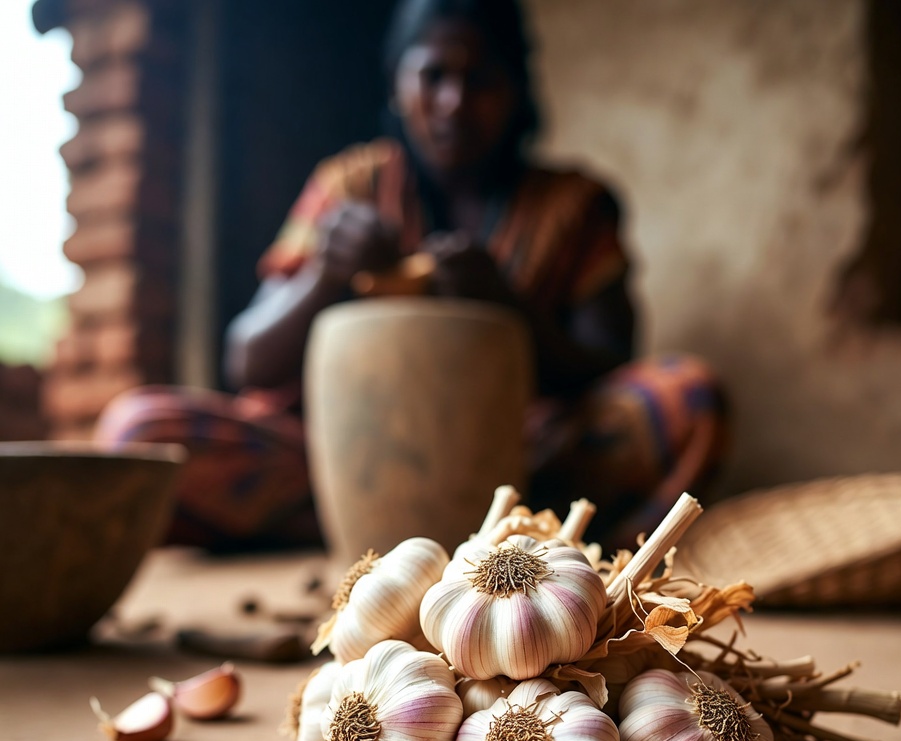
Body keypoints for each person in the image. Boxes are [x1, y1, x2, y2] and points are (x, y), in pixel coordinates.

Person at [95, 0, 726, 551]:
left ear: (516, 91)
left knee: (691, 400)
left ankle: (504, 539)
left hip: (518, 468)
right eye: (433, 76)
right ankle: (385, 528)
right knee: (138, 434)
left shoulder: (573, 205)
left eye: (481, 80)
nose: (455, 102)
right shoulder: (349, 187)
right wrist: (324, 277)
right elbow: (247, 361)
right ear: (398, 85)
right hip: (342, 464)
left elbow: (612, 360)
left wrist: (508, 308)